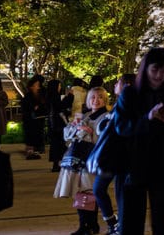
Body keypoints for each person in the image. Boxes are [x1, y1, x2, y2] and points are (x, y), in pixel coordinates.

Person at [113, 47, 164, 235]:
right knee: (131, 222)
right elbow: (121, 127)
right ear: (145, 69)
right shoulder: (130, 94)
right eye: (155, 70)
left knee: (162, 222)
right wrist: (148, 118)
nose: (159, 75)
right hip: (134, 164)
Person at [55, 87, 108, 235]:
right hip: (78, 159)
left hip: (93, 160)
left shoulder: (106, 118)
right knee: (81, 192)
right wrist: (76, 127)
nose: (96, 101)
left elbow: (104, 140)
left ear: (105, 100)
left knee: (88, 192)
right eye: (92, 97)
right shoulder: (86, 115)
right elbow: (67, 136)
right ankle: (87, 225)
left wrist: (87, 132)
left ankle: (89, 225)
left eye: (100, 97)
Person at [94, 73, 134, 235]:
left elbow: (116, 128)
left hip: (118, 156)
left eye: (118, 82)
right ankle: (114, 224)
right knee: (101, 189)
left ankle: (120, 227)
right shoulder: (119, 104)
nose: (115, 85)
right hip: (111, 156)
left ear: (126, 85)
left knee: (121, 194)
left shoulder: (126, 104)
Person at [22, 74, 48, 160]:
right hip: (30, 119)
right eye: (36, 85)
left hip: (39, 118)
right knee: (30, 134)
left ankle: (37, 149)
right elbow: (26, 107)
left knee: (39, 133)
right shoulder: (28, 96)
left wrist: (39, 107)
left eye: (38, 85)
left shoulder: (42, 94)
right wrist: (33, 108)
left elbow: (44, 105)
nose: (38, 87)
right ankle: (31, 151)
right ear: (31, 86)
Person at [47, 78, 68, 171]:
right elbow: (60, 107)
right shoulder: (55, 96)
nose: (60, 87)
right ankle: (57, 164)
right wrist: (69, 97)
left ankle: (56, 164)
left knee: (55, 144)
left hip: (53, 124)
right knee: (59, 144)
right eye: (59, 86)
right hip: (57, 124)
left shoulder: (49, 96)